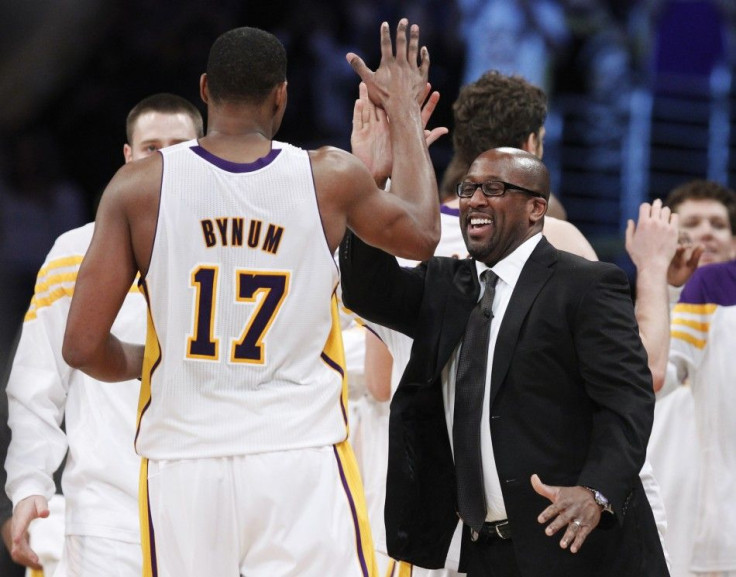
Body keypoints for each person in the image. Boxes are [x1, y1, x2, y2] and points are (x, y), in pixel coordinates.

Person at [62, 22, 441, 577]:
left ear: (205, 90)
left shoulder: (137, 186)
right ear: (282, 95)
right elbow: (422, 234)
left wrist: (148, 364)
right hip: (298, 455)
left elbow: (80, 346)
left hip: (183, 462)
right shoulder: (329, 176)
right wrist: (403, 112)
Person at [340, 147, 669, 576]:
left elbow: (629, 400)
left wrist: (596, 491)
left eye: (494, 189)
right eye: (468, 188)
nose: (474, 200)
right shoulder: (445, 285)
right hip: (485, 552)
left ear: (536, 208)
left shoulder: (586, 284)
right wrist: (370, 180)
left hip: (579, 543)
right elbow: (366, 289)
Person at [3, 93, 203, 576]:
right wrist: (29, 485)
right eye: (151, 146)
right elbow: (37, 384)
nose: (163, 159)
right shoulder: (74, 253)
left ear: (204, 157)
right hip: (106, 519)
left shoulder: (237, 249)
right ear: (128, 158)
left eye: (178, 146)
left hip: (210, 514)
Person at [626, 179, 736, 577]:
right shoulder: (634, 324)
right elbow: (644, 380)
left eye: (719, 224)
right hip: (663, 513)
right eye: (691, 225)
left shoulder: (727, 314)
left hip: (722, 531)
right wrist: (662, 286)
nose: (706, 232)